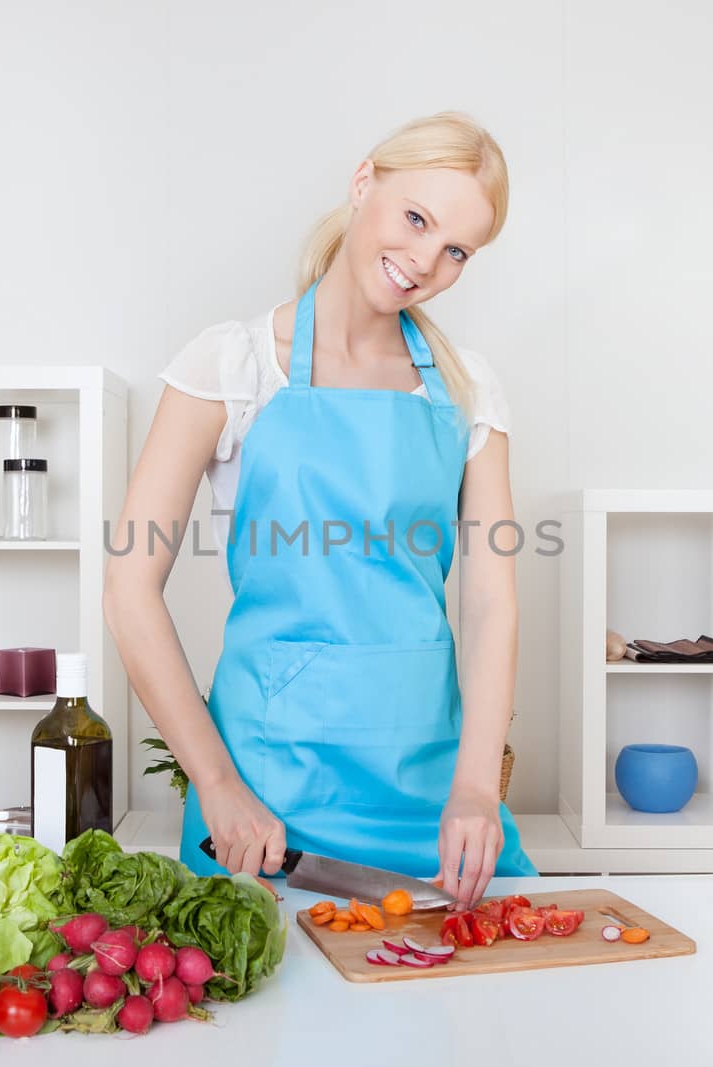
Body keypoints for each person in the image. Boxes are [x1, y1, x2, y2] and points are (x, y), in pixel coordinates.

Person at [104, 112, 535, 911]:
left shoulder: (468, 386)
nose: (424, 262)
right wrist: (219, 782)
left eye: (456, 252)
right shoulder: (231, 365)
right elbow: (129, 589)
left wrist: (476, 785)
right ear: (364, 180)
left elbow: (491, 598)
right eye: (416, 219)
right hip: (267, 802)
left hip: (436, 800)